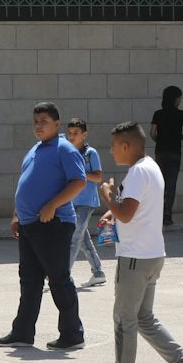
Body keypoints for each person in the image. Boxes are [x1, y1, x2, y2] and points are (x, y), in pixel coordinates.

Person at [84, 122, 183, 363]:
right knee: (143, 319)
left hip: (135, 260)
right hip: (152, 255)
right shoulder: (151, 167)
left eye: (114, 146)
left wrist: (109, 198)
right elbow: (134, 211)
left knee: (124, 323)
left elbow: (127, 212)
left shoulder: (138, 172)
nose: (111, 151)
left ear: (126, 146)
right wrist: (115, 212)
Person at [0, 103, 87, 351]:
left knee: (58, 278)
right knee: (30, 280)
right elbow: (26, 185)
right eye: (36, 121)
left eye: (44, 121)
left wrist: (52, 205)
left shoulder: (64, 149)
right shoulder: (35, 149)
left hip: (53, 223)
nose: (38, 126)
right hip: (29, 225)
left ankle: (72, 334)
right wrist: (17, 214)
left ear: (57, 124)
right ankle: (22, 332)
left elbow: (79, 181)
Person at [65, 120, 108, 289]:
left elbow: (98, 177)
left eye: (76, 133)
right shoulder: (67, 152)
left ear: (84, 135)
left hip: (86, 202)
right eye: (70, 133)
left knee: (74, 238)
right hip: (69, 201)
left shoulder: (91, 153)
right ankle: (98, 272)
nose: (72, 136)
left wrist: (80, 172)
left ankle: (63, 273)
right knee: (83, 240)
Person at [150, 87, 183, 226]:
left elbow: (152, 133)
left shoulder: (158, 114)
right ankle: (167, 213)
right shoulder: (182, 114)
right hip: (175, 152)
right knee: (171, 184)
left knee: (159, 183)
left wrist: (161, 140)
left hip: (160, 151)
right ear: (175, 99)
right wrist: (177, 138)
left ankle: (158, 212)